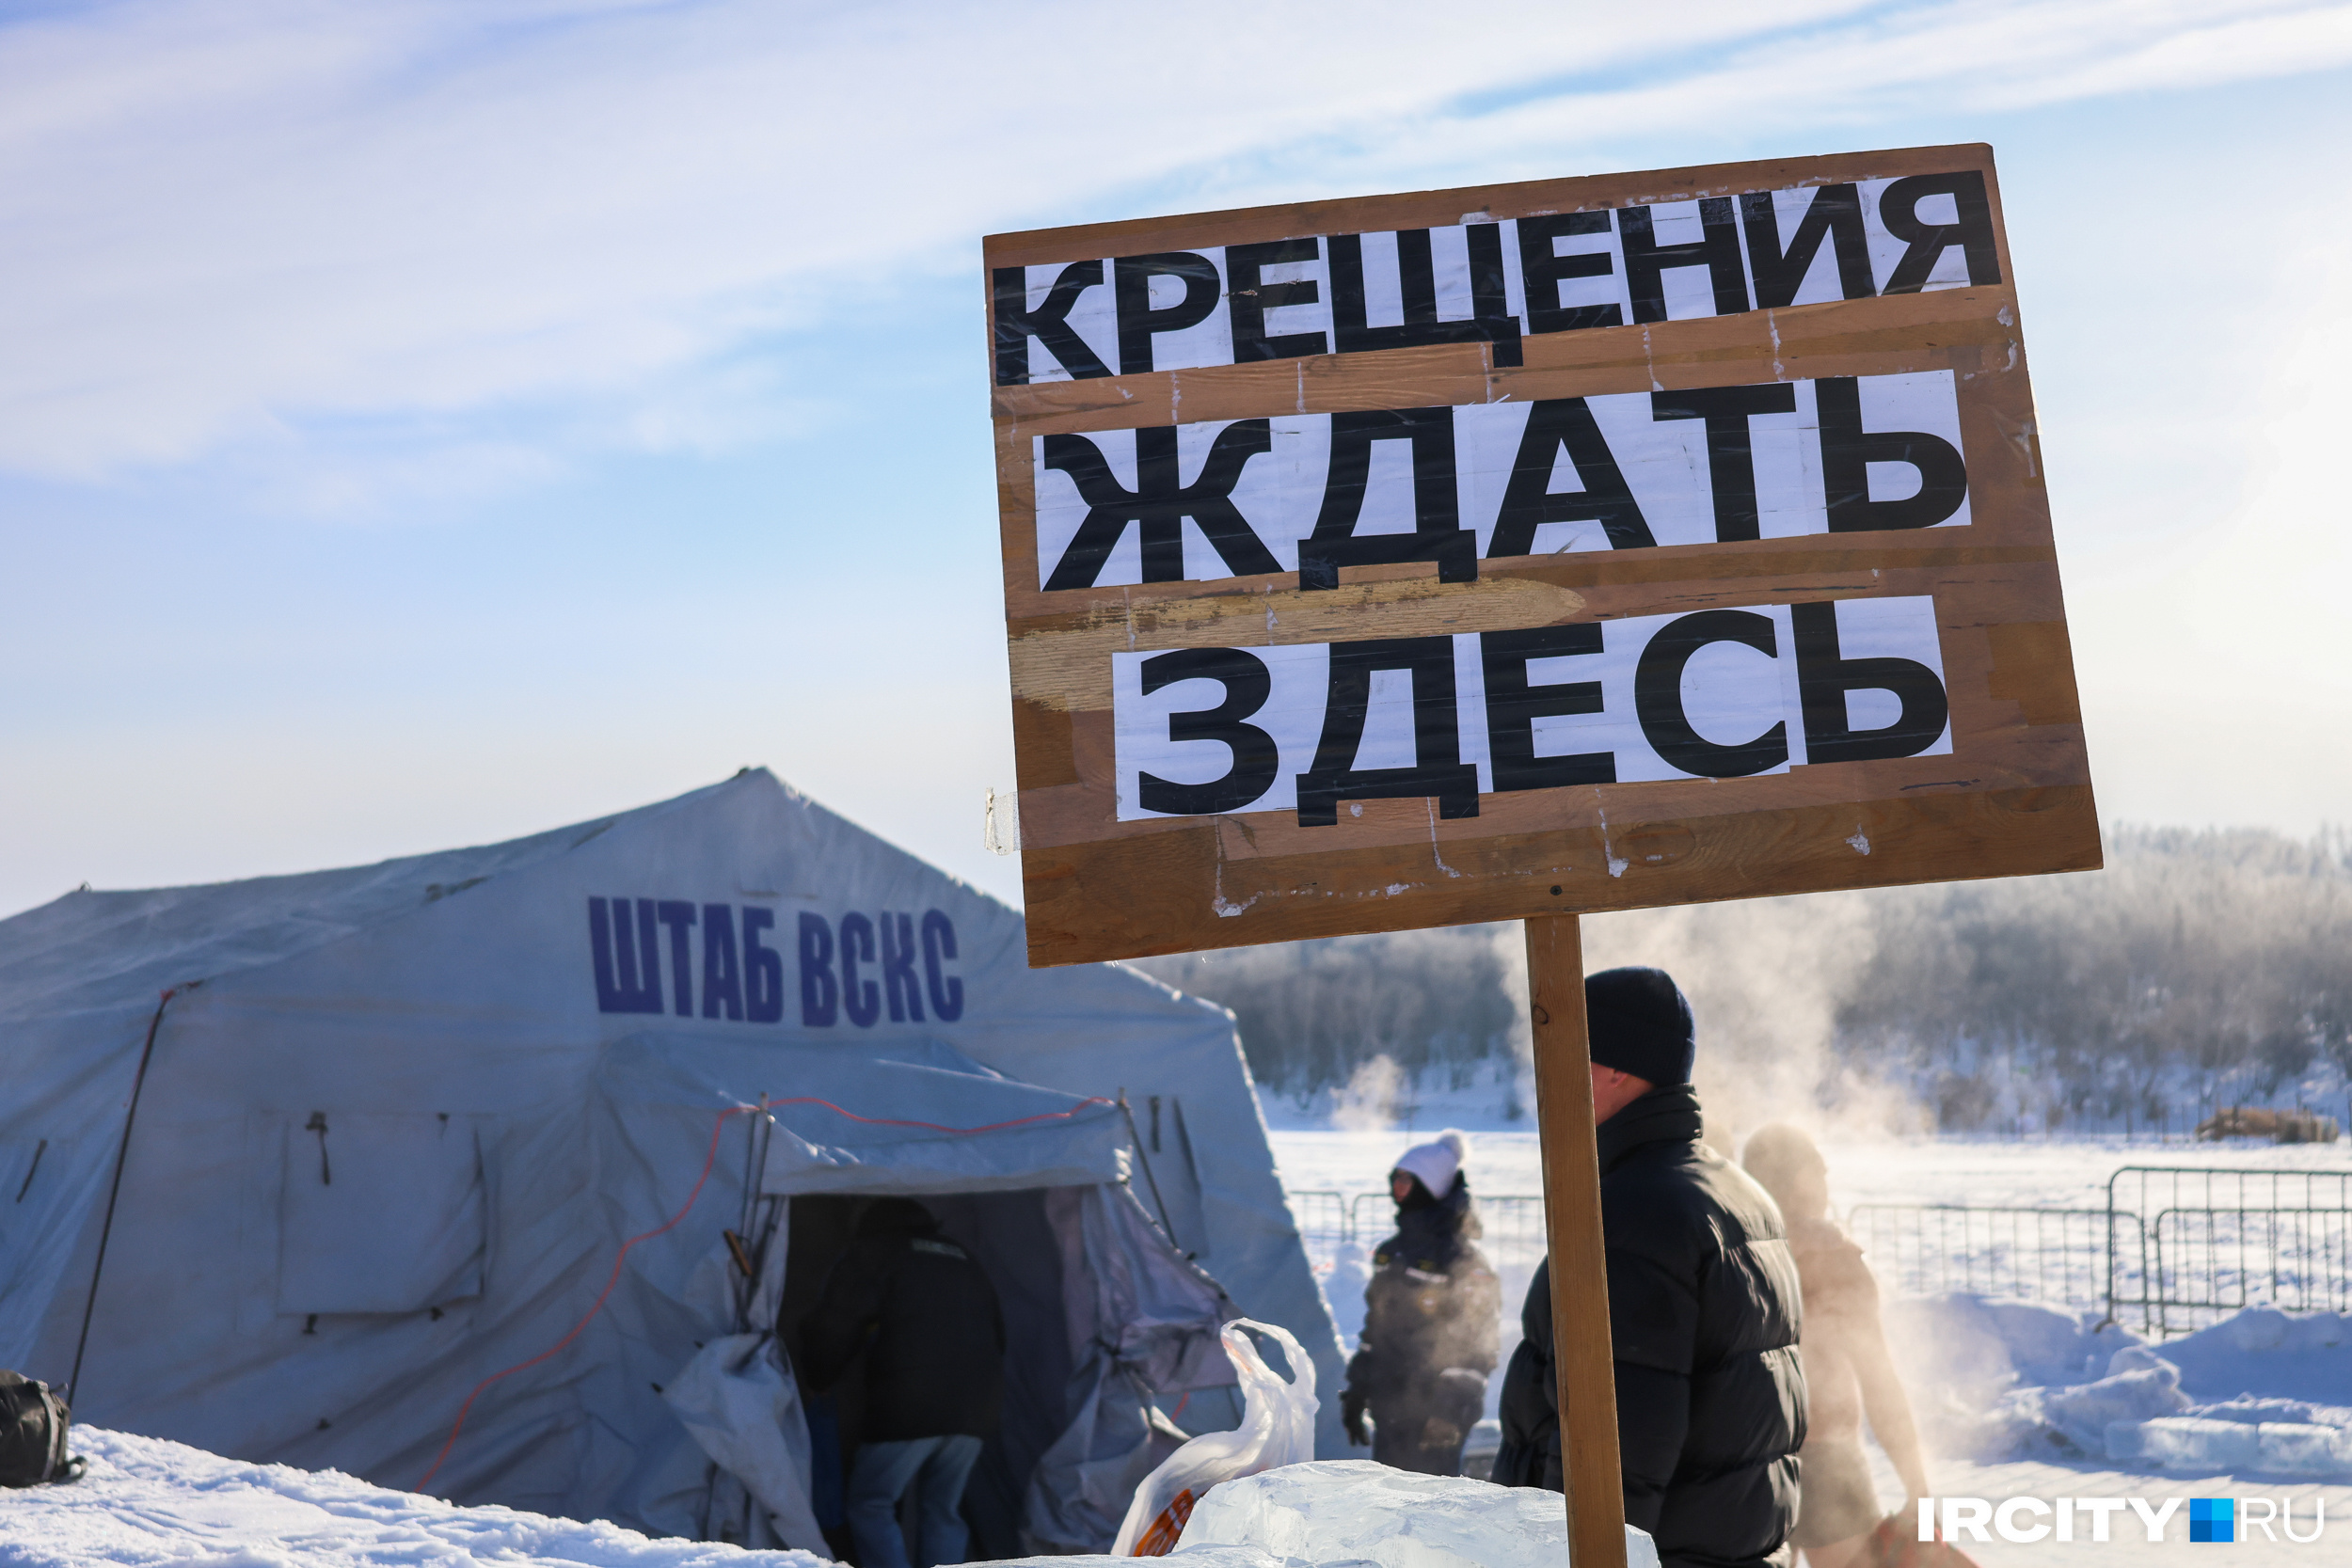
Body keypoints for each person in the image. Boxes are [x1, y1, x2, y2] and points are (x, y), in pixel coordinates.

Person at [1493, 967, 1805, 1568]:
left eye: (1559, 1053)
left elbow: (1614, 1449)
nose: (1542, 1077)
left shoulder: (1634, 1213)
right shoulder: (1736, 1193)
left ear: (1614, 1067)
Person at [1743, 1124, 1931, 1568]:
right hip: (1828, 1464)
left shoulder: (1734, 1253)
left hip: (1748, 1468)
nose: (1827, 1182)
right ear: (1803, 1180)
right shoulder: (1834, 1260)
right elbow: (1879, 1381)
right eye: (1821, 1170)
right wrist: (1917, 1486)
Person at [798, 1197, 1006, 1568]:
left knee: (871, 1503)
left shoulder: (875, 1252)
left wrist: (818, 1377)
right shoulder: (963, 1257)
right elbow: (999, 1334)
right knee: (943, 1508)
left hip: (908, 1406)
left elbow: (837, 1323)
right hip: (975, 1411)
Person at [1338, 1130, 1501, 1475]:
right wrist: (1357, 1390)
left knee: (1429, 1515)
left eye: (1407, 1179)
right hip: (1390, 1406)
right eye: (1395, 1178)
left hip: (1435, 1416)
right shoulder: (1391, 1252)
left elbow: (1477, 1343)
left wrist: (1448, 1412)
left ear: (1430, 1184)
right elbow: (1376, 1330)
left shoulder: (1462, 1262)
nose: (1397, 1186)